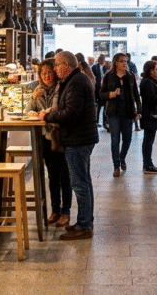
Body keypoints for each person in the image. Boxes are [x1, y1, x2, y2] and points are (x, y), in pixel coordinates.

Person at [40, 52, 98, 240]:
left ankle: (84, 226)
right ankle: (84, 220)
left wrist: (47, 116)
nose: (55, 69)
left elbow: (71, 113)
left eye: (57, 65)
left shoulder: (76, 82)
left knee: (80, 184)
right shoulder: (75, 80)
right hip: (79, 138)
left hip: (78, 139)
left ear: (66, 65)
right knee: (84, 182)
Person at [26, 59, 71, 227]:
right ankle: (55, 210)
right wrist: (33, 97)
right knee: (52, 176)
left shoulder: (61, 89)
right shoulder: (39, 90)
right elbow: (28, 112)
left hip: (61, 138)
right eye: (43, 73)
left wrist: (45, 113)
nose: (46, 76)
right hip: (45, 138)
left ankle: (65, 211)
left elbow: (58, 111)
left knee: (64, 175)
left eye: (49, 73)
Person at [100, 53, 141, 177]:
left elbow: (136, 95)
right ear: (116, 63)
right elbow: (101, 93)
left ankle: (122, 157)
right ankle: (116, 166)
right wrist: (110, 95)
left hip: (128, 112)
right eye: (122, 61)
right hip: (114, 113)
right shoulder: (109, 76)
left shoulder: (131, 76)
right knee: (115, 140)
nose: (124, 63)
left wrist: (139, 111)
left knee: (127, 139)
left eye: (125, 61)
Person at [139, 60, 157, 173]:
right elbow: (151, 98)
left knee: (149, 140)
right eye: (156, 69)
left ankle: (148, 163)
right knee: (148, 141)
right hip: (149, 115)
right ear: (150, 70)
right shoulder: (148, 82)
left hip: (149, 114)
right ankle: (147, 165)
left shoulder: (149, 81)